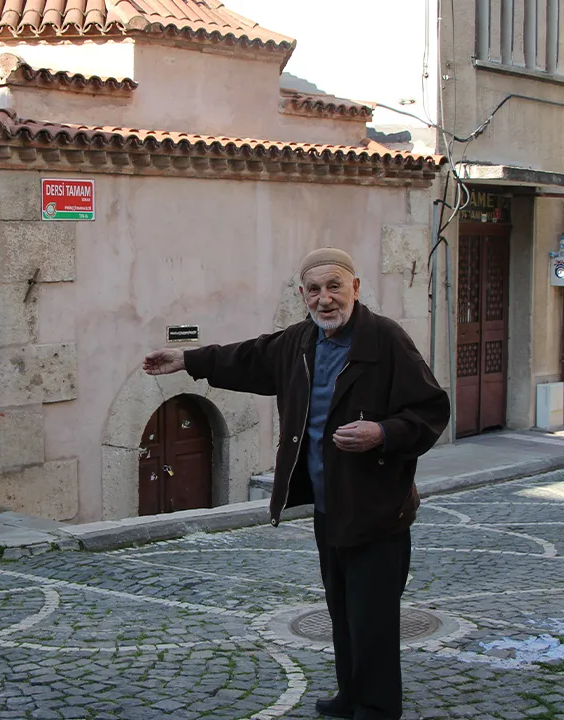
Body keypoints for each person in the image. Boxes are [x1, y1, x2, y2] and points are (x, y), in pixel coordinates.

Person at [143, 248, 449, 720]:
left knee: (373, 618)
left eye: (334, 287)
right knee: (342, 611)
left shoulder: (384, 339)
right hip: (331, 507)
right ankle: (351, 696)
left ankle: (377, 706)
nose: (324, 299)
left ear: (355, 289)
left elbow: (430, 410)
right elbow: (245, 358)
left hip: (378, 507)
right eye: (314, 289)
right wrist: (187, 359)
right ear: (302, 294)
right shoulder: (300, 342)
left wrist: (383, 433)